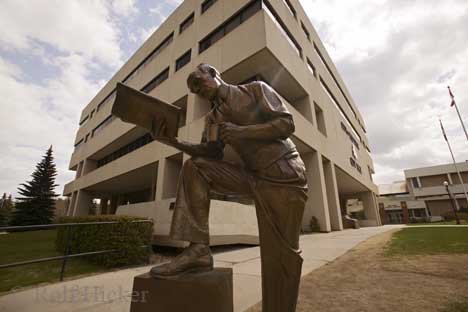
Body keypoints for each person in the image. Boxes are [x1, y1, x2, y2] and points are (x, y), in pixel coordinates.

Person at [151, 63, 308, 312]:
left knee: (280, 259)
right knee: (196, 167)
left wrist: (242, 132)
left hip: (284, 175)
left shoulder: (256, 90)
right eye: (195, 91)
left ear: (214, 74)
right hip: (254, 177)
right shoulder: (214, 117)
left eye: (199, 83)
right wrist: (174, 141)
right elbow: (210, 152)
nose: (199, 91)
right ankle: (199, 249)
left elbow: (286, 124)